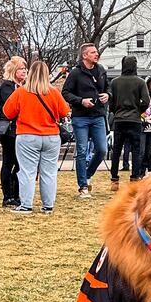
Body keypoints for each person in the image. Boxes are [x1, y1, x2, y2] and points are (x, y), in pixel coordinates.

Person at [2, 60, 71, 214]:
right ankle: (48, 205)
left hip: (27, 135)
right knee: (49, 172)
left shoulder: (21, 92)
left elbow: (7, 112)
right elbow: (64, 112)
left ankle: (26, 204)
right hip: (51, 136)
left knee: (27, 171)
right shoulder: (53, 92)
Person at [62, 43, 111, 197]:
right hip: (81, 117)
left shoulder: (101, 70)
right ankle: (83, 186)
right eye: (93, 52)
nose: (96, 54)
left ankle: (87, 173)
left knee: (102, 149)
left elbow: (109, 87)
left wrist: (107, 95)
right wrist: (80, 100)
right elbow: (65, 92)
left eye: (96, 52)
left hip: (98, 115)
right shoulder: (76, 73)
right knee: (82, 150)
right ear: (84, 55)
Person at [108, 55, 149, 190]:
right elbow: (146, 101)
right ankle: (134, 179)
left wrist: (116, 111)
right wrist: (138, 111)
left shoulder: (115, 82)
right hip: (134, 119)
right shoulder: (140, 82)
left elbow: (111, 103)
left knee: (116, 150)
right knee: (136, 151)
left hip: (119, 120)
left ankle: (114, 180)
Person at [0, 57, 26, 206]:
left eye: (25, 69)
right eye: (21, 68)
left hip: (22, 129)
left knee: (20, 163)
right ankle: (7, 195)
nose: (24, 71)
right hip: (9, 130)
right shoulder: (7, 86)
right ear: (13, 70)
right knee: (9, 161)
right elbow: (12, 106)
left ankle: (17, 193)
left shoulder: (24, 86)